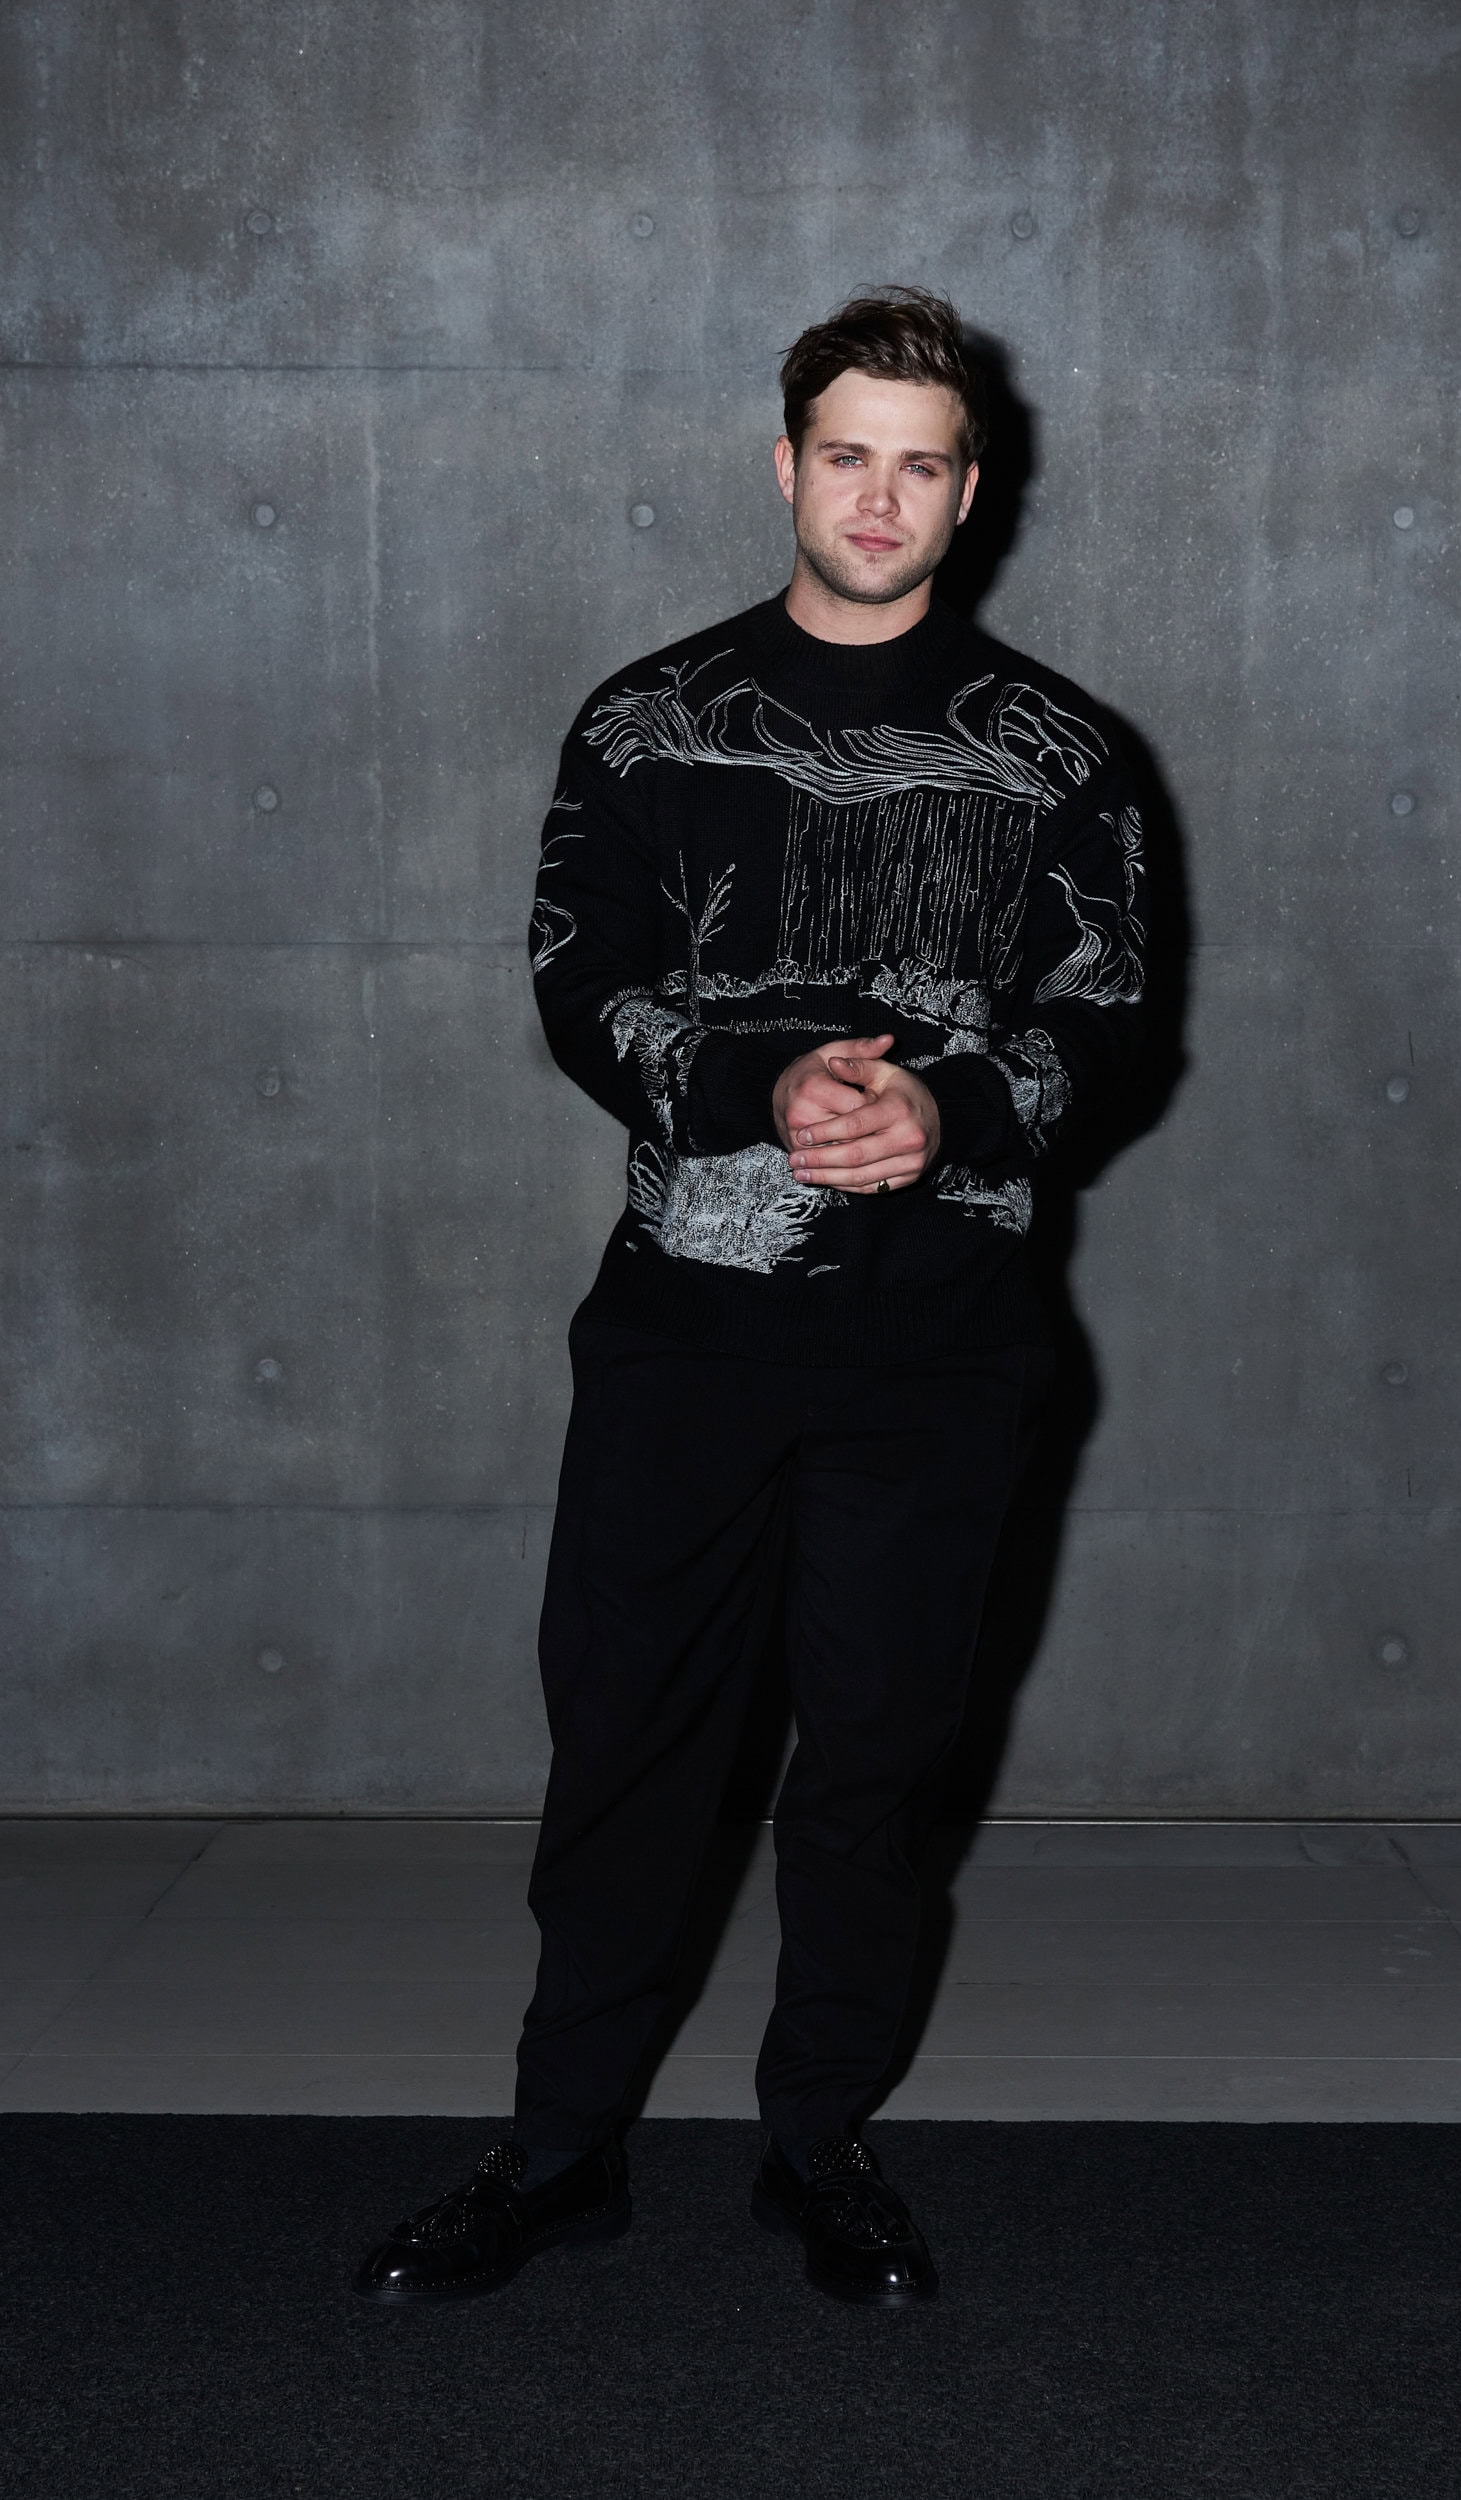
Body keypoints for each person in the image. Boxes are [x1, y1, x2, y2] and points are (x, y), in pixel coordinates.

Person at [354, 286, 1145, 2311]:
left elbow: (1110, 1018)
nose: (880, 497)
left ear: (971, 491)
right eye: (847, 455)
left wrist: (951, 1107)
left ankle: (821, 2148)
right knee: (629, 1752)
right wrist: (752, 1086)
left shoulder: (1067, 754)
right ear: (786, 464)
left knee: (874, 1771)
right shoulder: (644, 720)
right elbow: (579, 982)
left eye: (920, 465)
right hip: (684, 1343)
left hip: (942, 1352)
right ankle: (556, 2153)